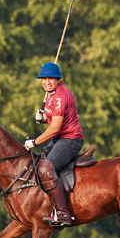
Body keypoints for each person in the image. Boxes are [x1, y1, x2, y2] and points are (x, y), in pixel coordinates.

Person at [25, 62, 84, 227]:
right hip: (60, 138)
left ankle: (63, 214)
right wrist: (44, 118)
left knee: (45, 168)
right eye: (44, 78)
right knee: (39, 161)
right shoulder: (50, 94)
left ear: (58, 79)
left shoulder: (60, 96)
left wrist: (34, 142)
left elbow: (55, 129)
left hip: (70, 139)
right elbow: (53, 121)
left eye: (51, 78)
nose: (47, 82)